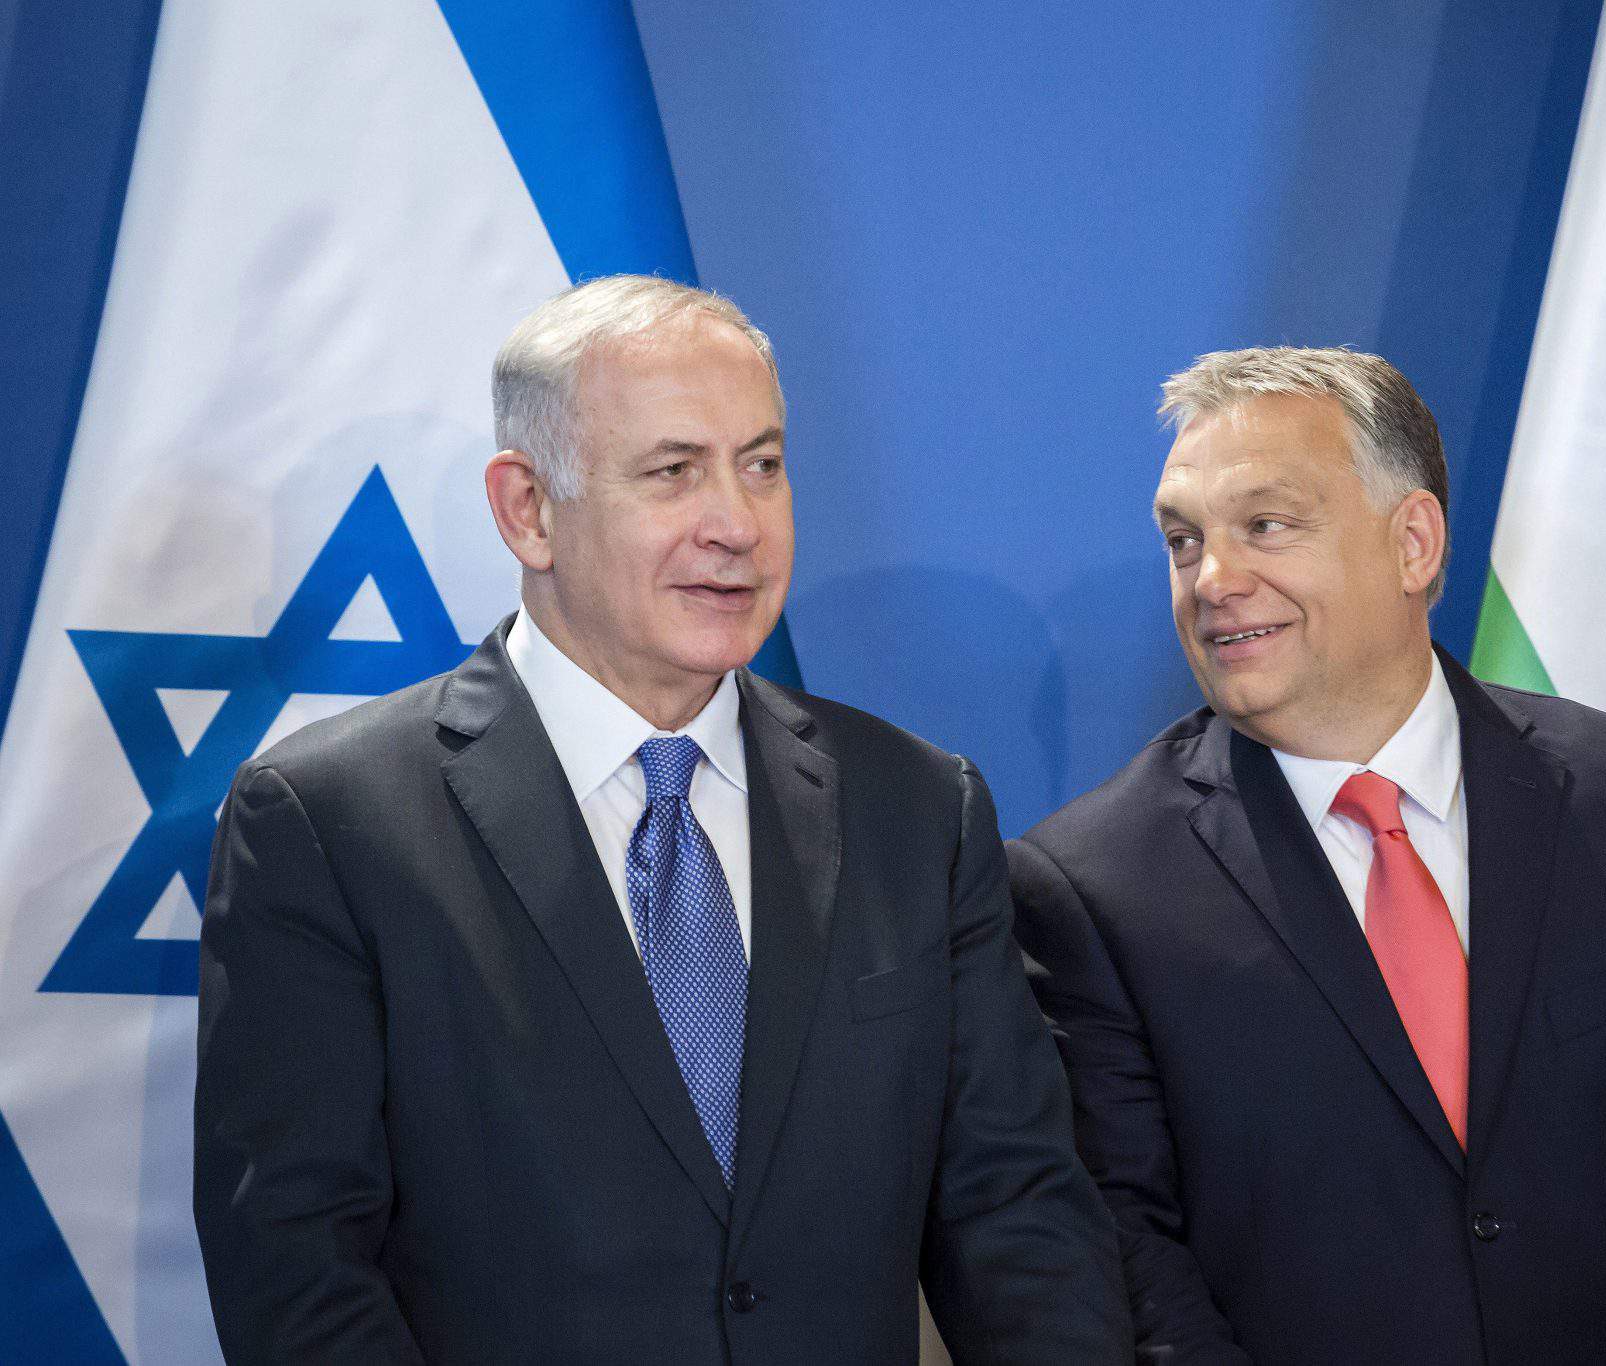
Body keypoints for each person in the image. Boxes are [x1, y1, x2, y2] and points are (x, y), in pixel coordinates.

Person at [194, 276, 1129, 1364]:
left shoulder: (917, 808)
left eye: (762, 465)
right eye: (674, 471)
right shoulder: (327, 822)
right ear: (528, 509)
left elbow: (1018, 1213)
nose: (736, 525)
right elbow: (299, 1274)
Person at [1008, 346, 1606, 1363]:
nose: (1214, 581)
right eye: (1184, 541)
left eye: (1265, 525)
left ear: (1412, 542)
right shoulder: (1093, 887)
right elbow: (1127, 1262)